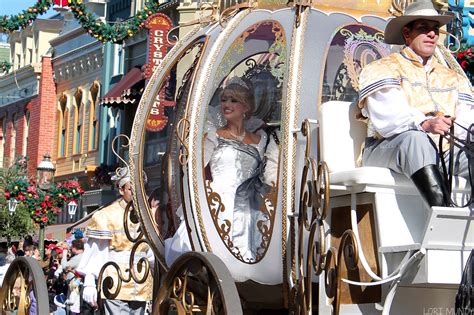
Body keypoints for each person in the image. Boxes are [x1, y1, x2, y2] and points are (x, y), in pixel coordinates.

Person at [357, 0, 473, 208]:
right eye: (423, 28)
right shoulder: (383, 68)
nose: (432, 34)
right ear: (406, 34)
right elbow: (389, 119)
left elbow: (467, 119)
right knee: (416, 140)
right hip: (389, 148)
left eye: (435, 30)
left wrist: (458, 129)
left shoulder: (454, 78)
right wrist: (426, 123)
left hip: (443, 151)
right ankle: (444, 216)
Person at [203, 79, 277, 262]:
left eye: (233, 100)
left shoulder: (260, 139)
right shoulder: (213, 135)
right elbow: (198, 170)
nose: (227, 104)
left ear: (245, 107)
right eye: (224, 100)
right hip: (219, 201)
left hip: (252, 203)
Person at [76, 166, 153, 315]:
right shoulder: (105, 215)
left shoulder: (149, 215)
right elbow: (96, 251)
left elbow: (150, 252)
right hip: (115, 280)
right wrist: (90, 281)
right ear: (121, 190)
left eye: (140, 189)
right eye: (131, 189)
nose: (136, 193)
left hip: (141, 282)